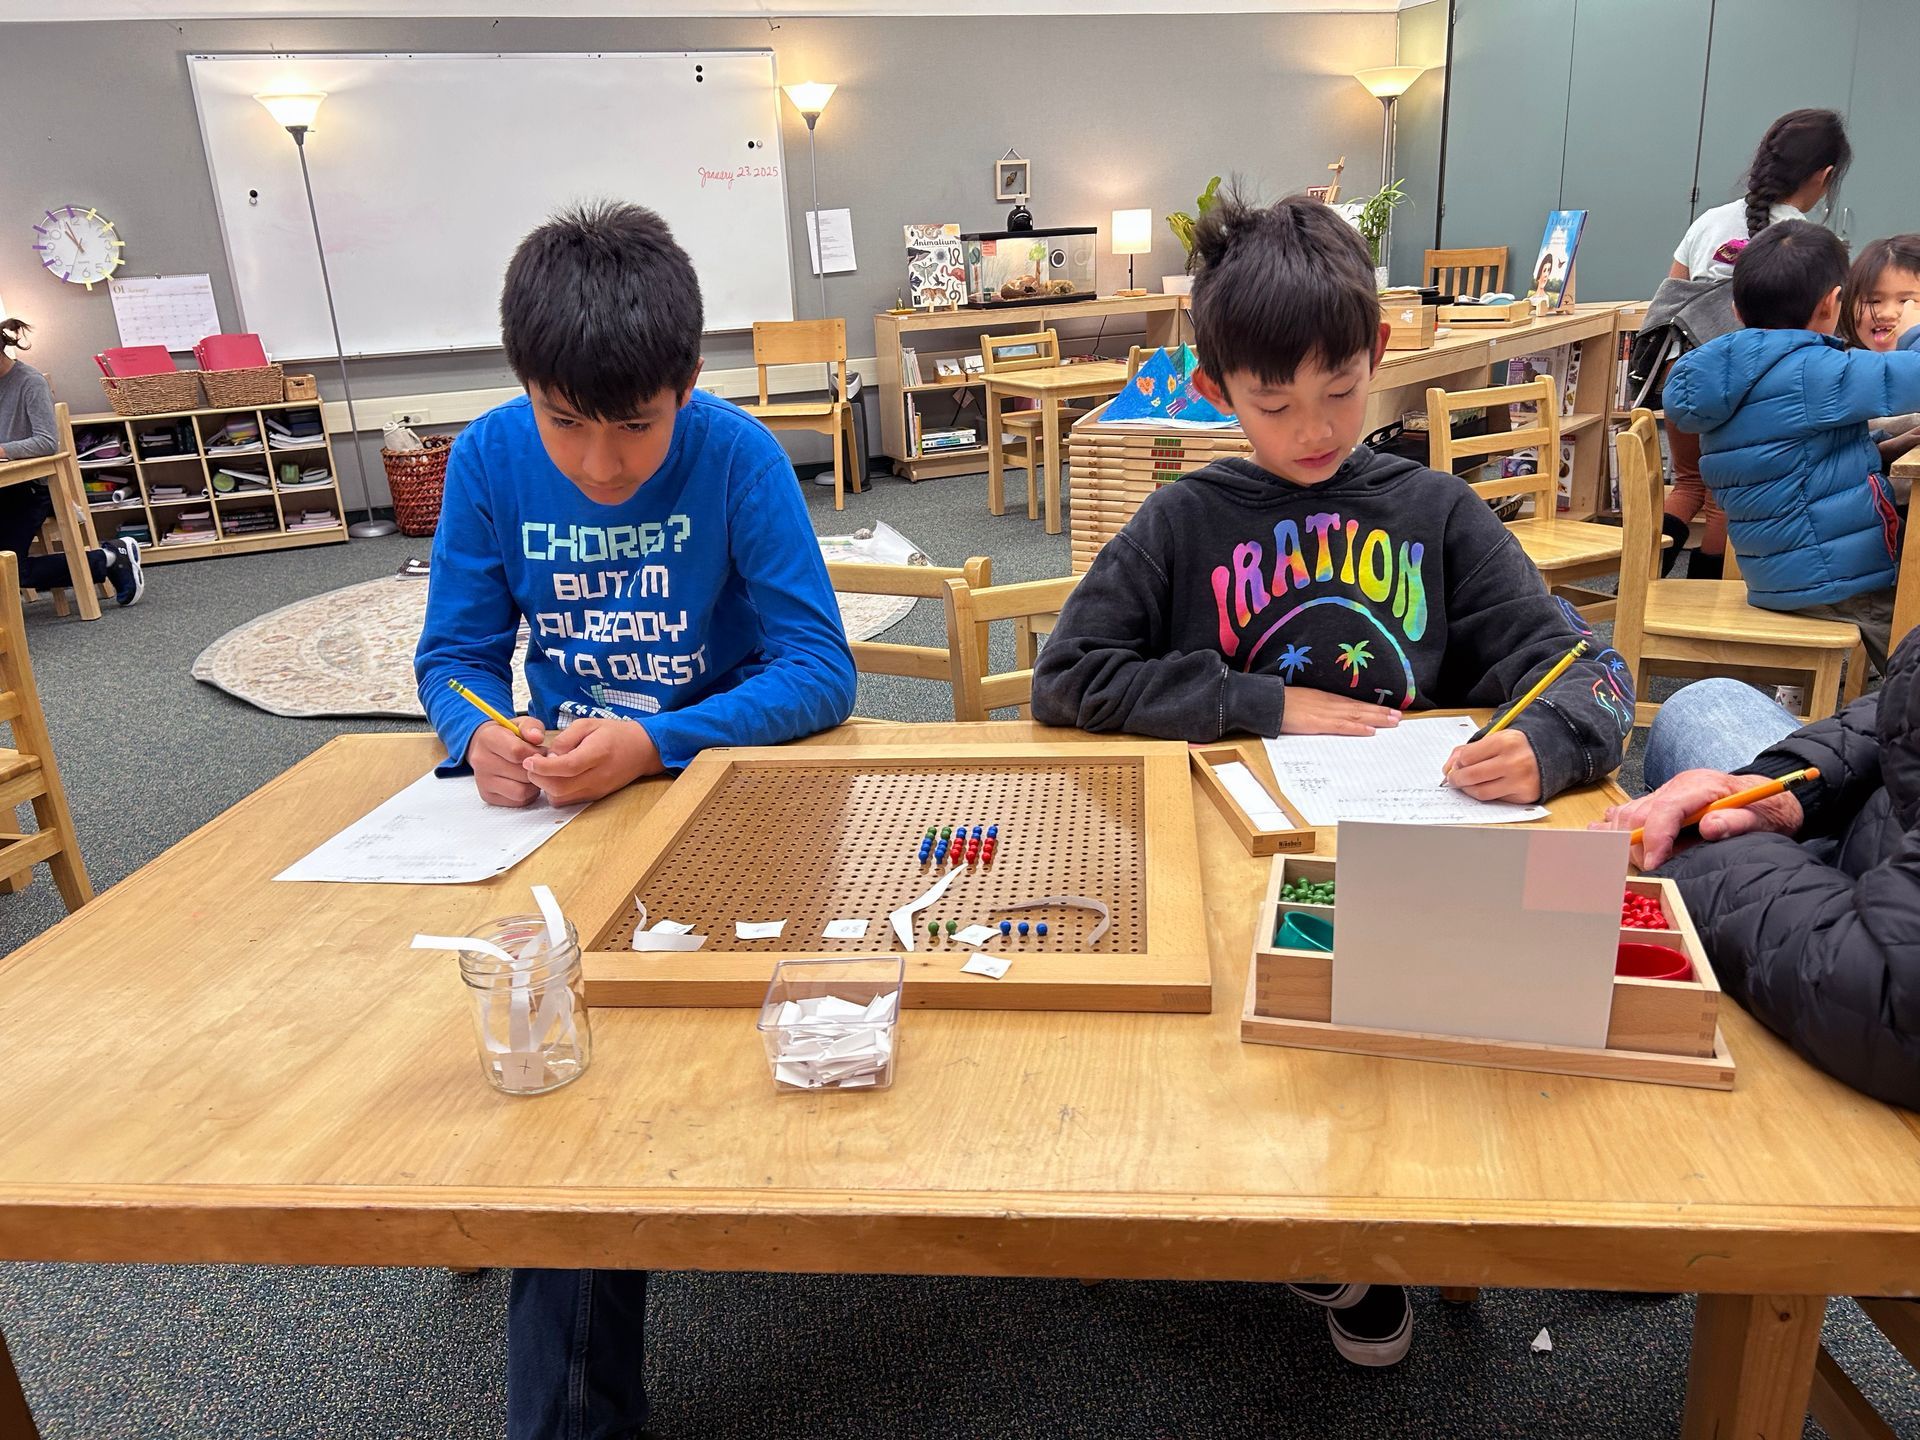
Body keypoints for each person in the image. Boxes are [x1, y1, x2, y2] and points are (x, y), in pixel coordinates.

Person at [1031, 193, 1635, 1365]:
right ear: (1217, 388)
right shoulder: (1181, 521)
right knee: (1244, 1033)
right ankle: (1303, 1217)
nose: (1311, 429)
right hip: (1232, 869)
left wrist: (1552, 742)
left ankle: (1383, 1215)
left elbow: (1591, 672)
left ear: (1381, 354)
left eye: (1341, 391)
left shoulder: (1435, 511)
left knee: (1457, 1026)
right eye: (1273, 404)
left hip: (1406, 872)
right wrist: (1260, 701)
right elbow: (1069, 677)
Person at [411, 201, 856, 1440]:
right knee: (557, 1066)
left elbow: (820, 669)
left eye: (636, 426)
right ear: (523, 387)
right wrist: (477, 734)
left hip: (727, 804)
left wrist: (656, 741)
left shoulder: (739, 456)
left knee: (712, 1052)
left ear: (687, 382)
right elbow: (449, 660)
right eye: (565, 422)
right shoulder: (488, 461)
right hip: (561, 820)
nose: (601, 466)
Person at [1595, 643, 1920, 1111]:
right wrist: (1779, 790)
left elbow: (1890, 991)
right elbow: (1901, 714)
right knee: (1707, 699)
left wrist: (1707, 855)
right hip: (1875, 836)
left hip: (1867, 946)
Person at [1663, 220, 1920, 674]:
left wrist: (1885, 447)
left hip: (1775, 577)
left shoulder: (1729, 374)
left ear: (1736, 309)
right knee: (1911, 637)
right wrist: (1914, 329)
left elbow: (1801, 457)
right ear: (1831, 303)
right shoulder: (1816, 370)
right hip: (1839, 583)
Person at [1654, 108, 1852, 580]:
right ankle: (1705, 602)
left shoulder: (1707, 222)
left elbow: (1670, 301)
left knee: (1688, 483)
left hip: (1685, 375)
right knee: (1725, 499)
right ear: (1824, 176)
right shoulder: (1811, 242)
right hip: (1752, 384)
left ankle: (1639, 586)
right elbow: (1819, 329)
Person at [0, 317, 143, 606]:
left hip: (30, 489)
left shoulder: (30, 382)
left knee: (9, 568)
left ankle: (109, 557)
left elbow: (46, 442)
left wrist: (2, 450)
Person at [1837, 234, 1920, 479]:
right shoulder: (1837, 370)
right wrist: (1882, 450)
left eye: (1907, 301)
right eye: (1873, 300)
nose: (1887, 313)